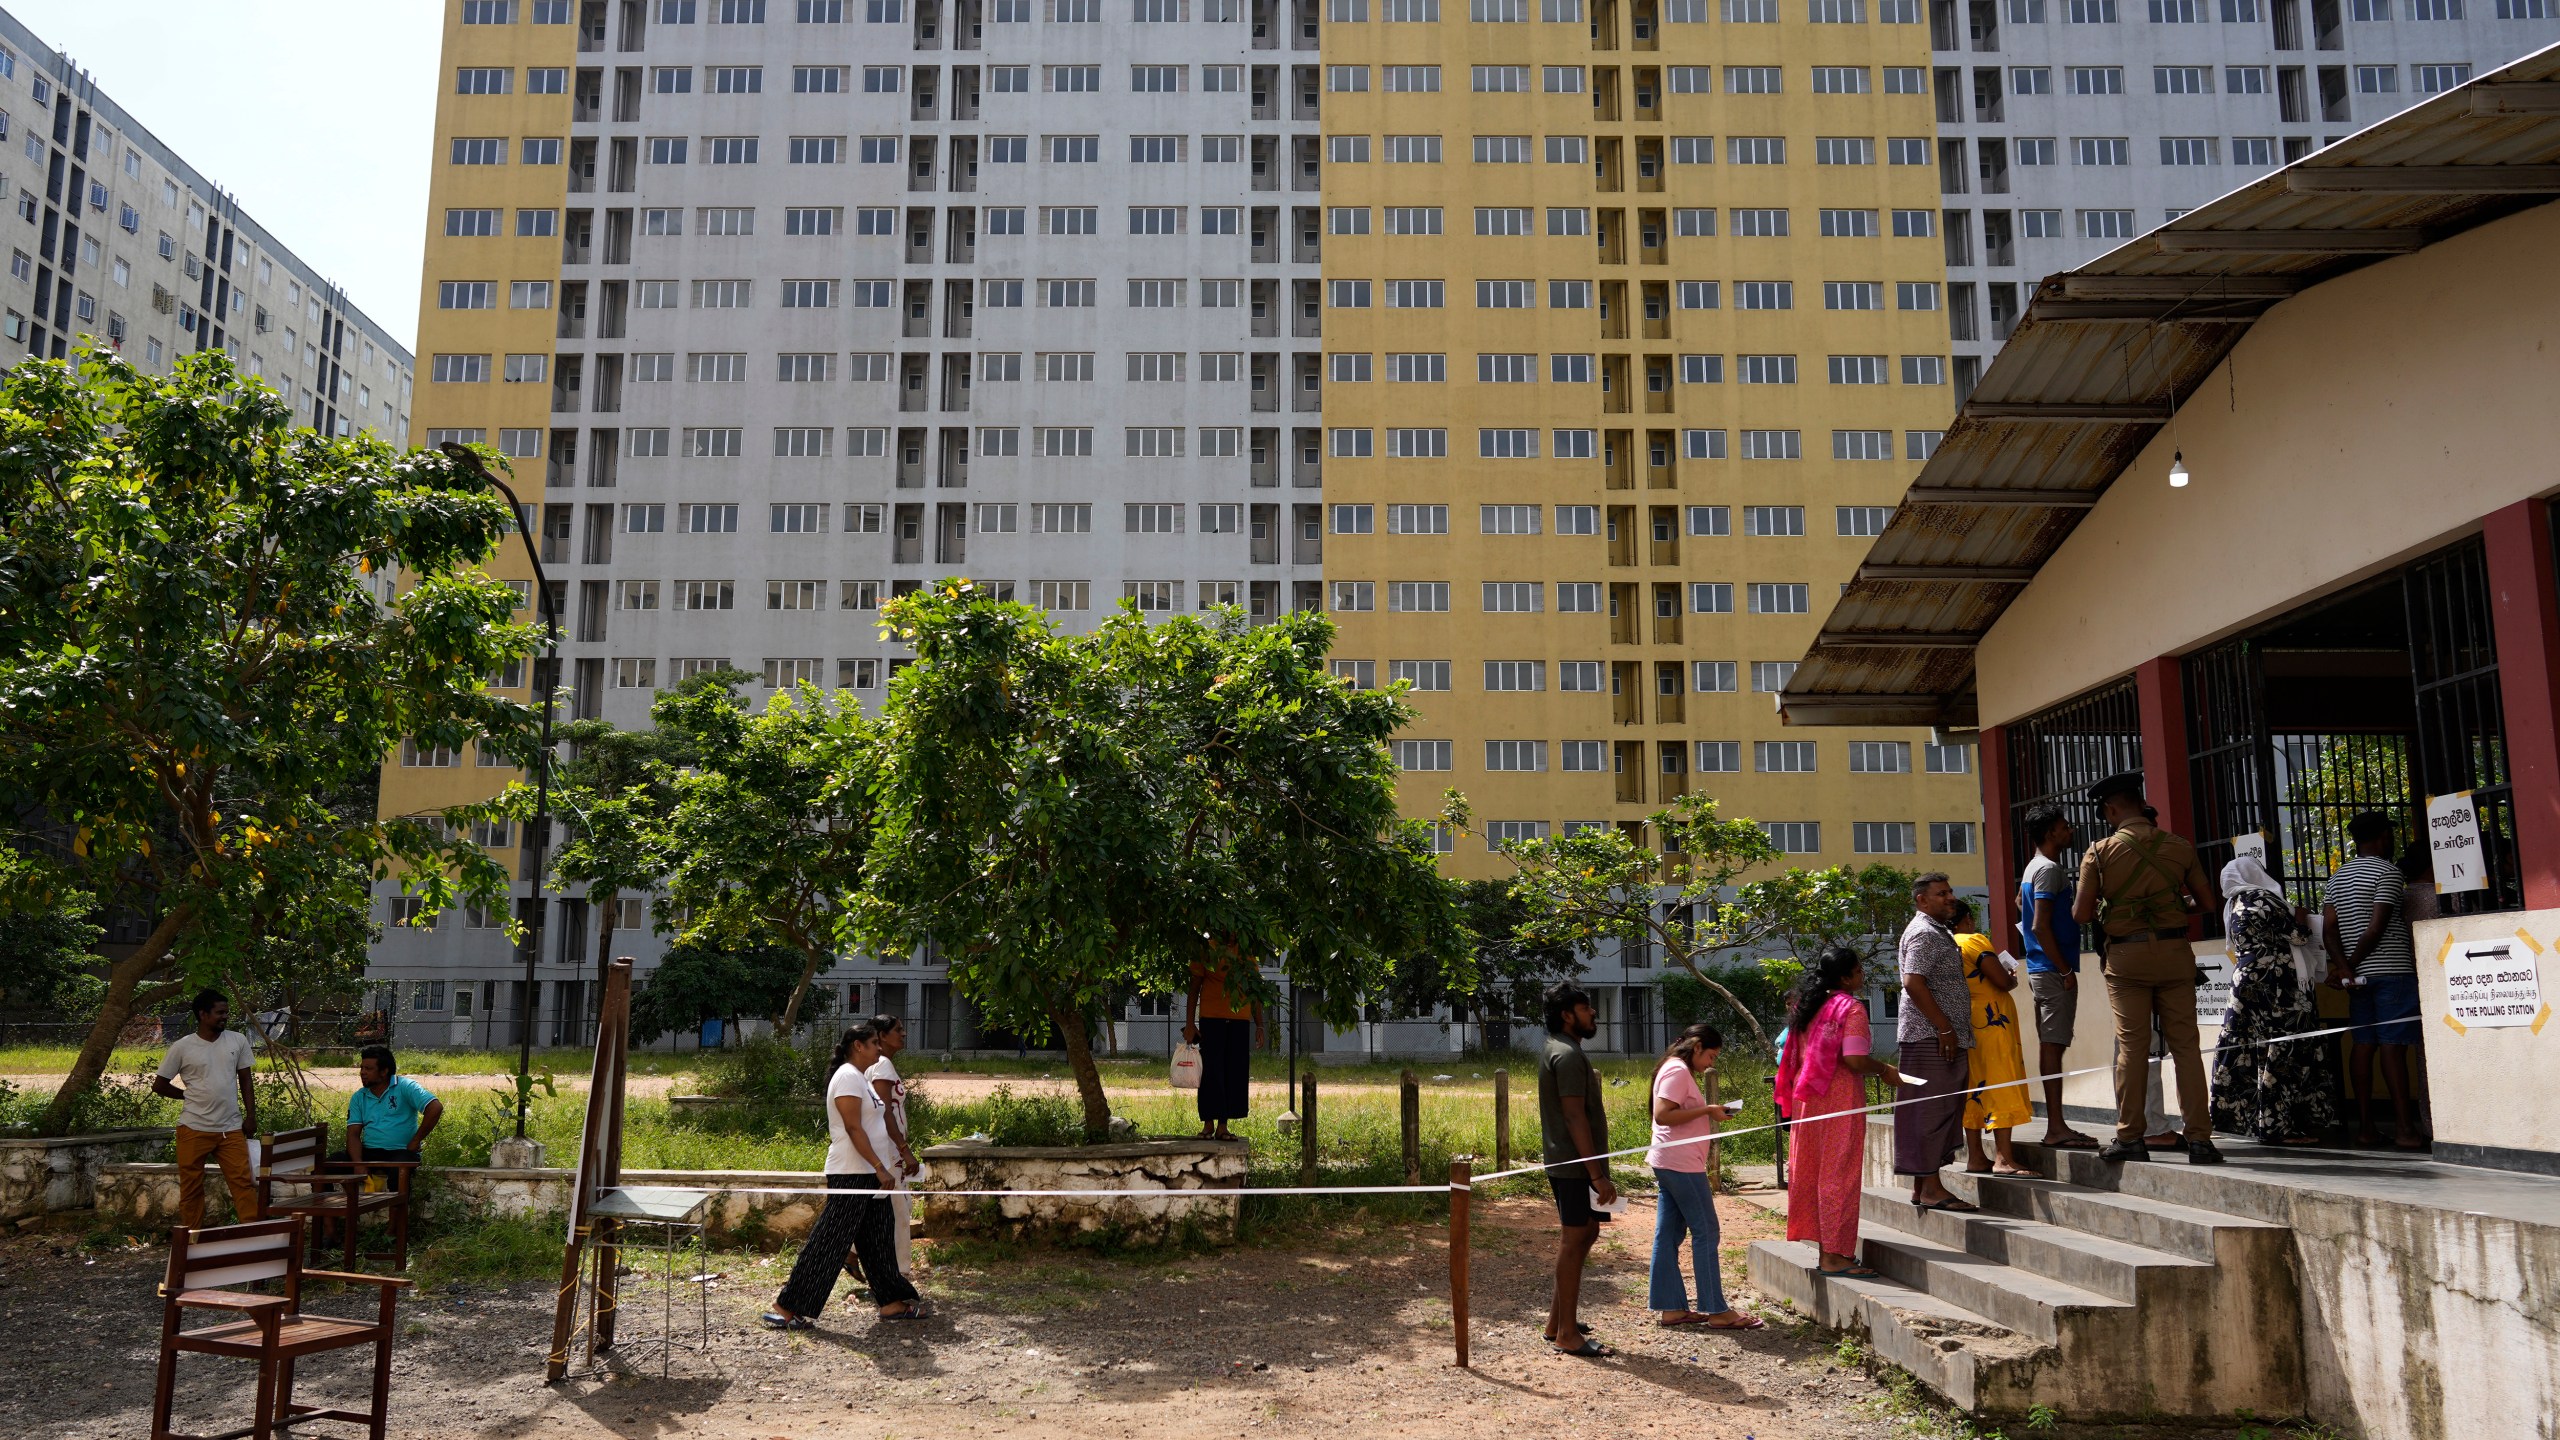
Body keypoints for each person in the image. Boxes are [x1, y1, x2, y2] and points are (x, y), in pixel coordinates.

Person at [2073, 773, 2223, 1165]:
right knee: (2187, 1048)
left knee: (2133, 1049)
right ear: (2140, 803)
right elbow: (2207, 902)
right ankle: (2201, 1141)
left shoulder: (2099, 852)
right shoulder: (2178, 846)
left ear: (2110, 809)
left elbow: (2081, 913)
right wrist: (2172, 908)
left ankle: (2131, 1137)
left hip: (2127, 960)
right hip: (2175, 953)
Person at [764, 1023, 924, 1330]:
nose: (880, 1048)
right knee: (830, 1240)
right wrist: (879, 1166)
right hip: (852, 1173)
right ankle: (787, 1307)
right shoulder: (848, 1076)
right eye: (874, 1042)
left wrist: (879, 1170)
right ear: (858, 1046)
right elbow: (853, 1129)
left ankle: (892, 1302)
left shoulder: (862, 1079)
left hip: (870, 1174)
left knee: (878, 1237)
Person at [1776, 947, 1904, 1276]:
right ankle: (1834, 1255)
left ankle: (1828, 1253)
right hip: (1839, 1100)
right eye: (1859, 972)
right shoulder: (1851, 1008)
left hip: (1808, 1099)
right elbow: (1855, 1059)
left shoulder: (1809, 1004)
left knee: (1815, 1173)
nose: (1863, 977)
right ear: (1845, 977)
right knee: (1839, 1176)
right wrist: (1885, 1070)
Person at [2210, 856, 2338, 1146]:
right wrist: (2302, 916)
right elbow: (2297, 936)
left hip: (2245, 981)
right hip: (2276, 985)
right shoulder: (2262, 897)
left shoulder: (2233, 904)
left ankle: (2250, 1122)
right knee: (2283, 1049)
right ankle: (2279, 1127)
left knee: (2249, 1049)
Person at [1645, 1023, 1763, 1331]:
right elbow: (1663, 1114)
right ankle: (1715, 1309)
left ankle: (1672, 1308)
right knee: (1706, 1231)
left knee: (1669, 1234)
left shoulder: (1676, 1069)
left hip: (1671, 1161)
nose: (1711, 1062)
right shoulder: (1678, 1071)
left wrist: (1708, 1111)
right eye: (1711, 1055)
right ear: (1696, 1047)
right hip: (1680, 1164)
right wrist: (1707, 1111)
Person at [2325, 812, 2426, 1150]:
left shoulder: (2337, 877)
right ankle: (2404, 1129)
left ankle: (2366, 1128)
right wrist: (2350, 966)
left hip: (2358, 979)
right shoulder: (2388, 872)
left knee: (2363, 1045)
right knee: (2393, 1048)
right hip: (2392, 971)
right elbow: (2377, 927)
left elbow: (2329, 930)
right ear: (2384, 836)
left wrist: (2343, 969)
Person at [1538, 982, 1615, 1357]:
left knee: (1587, 1231)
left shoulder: (1567, 1050)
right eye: (1586, 1008)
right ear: (1567, 1015)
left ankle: (1557, 1322)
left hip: (1579, 1165)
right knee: (1574, 1239)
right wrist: (1596, 1174)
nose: (1593, 1013)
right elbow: (1573, 1115)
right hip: (1574, 1167)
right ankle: (1567, 1333)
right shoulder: (1566, 1055)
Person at [2016, 804, 2099, 1149]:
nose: (2071, 830)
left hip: (2043, 967)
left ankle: (2056, 1125)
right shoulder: (2049, 869)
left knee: (2053, 1045)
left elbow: (2021, 905)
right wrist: (2064, 969)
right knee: (2053, 1046)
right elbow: (2038, 923)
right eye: (2065, 826)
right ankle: (2056, 1127)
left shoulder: (2033, 867)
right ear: (2051, 832)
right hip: (2052, 969)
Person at [1894, 873, 1979, 1211]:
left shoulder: (1938, 931)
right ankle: (1930, 1188)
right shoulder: (1925, 933)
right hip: (1930, 1038)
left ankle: (1923, 1186)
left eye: (1951, 891)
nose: (1950, 898)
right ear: (1922, 900)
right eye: (1941, 894)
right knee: (1932, 1111)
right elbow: (1913, 982)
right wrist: (1944, 1028)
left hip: (1939, 1037)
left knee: (1938, 1109)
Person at [153, 989, 261, 1229]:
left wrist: (251, 1116)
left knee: (243, 1184)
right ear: (202, 1014)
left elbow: (246, 1080)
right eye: (219, 1012)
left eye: (226, 1012)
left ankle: (254, 1237)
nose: (225, 1017)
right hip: (193, 1128)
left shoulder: (237, 1040)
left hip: (231, 1129)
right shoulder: (182, 1047)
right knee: (191, 1189)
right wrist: (188, 1096)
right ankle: (193, 1240)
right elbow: (159, 1085)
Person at [1952, 903, 2032, 1177]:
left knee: (1974, 1086)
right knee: (1999, 1082)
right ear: (1967, 919)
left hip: (1964, 1019)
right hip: (1991, 1021)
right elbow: (2000, 980)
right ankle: (2004, 1158)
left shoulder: (1942, 943)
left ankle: (1975, 1156)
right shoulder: (1973, 940)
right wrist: (2010, 978)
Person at [865, 1013, 921, 1277]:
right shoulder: (883, 1065)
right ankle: (900, 1273)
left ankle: (855, 1253)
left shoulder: (874, 1064)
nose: (904, 1034)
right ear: (883, 1036)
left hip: (882, 1148)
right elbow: (885, 1111)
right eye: (898, 1030)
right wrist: (904, 1150)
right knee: (901, 1208)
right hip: (889, 1149)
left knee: (881, 1206)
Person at [1185, 952, 1256, 1143]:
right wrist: (1190, 1024)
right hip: (1211, 1020)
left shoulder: (1246, 953)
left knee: (1233, 1072)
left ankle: (1222, 1126)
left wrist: (1261, 1025)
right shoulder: (1207, 949)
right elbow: (1194, 989)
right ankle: (1208, 1123)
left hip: (1239, 1021)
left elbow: (1254, 990)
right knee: (1210, 1071)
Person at [342, 1045, 443, 1176]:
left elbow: (435, 1107)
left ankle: (401, 1197)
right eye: (362, 1068)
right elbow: (353, 1134)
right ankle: (334, 1196)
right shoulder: (359, 1097)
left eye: (368, 1069)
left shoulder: (405, 1087)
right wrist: (358, 1163)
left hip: (400, 1152)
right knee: (328, 1166)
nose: (362, 1072)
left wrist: (416, 1140)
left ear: (384, 1071)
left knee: (398, 1173)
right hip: (369, 1153)